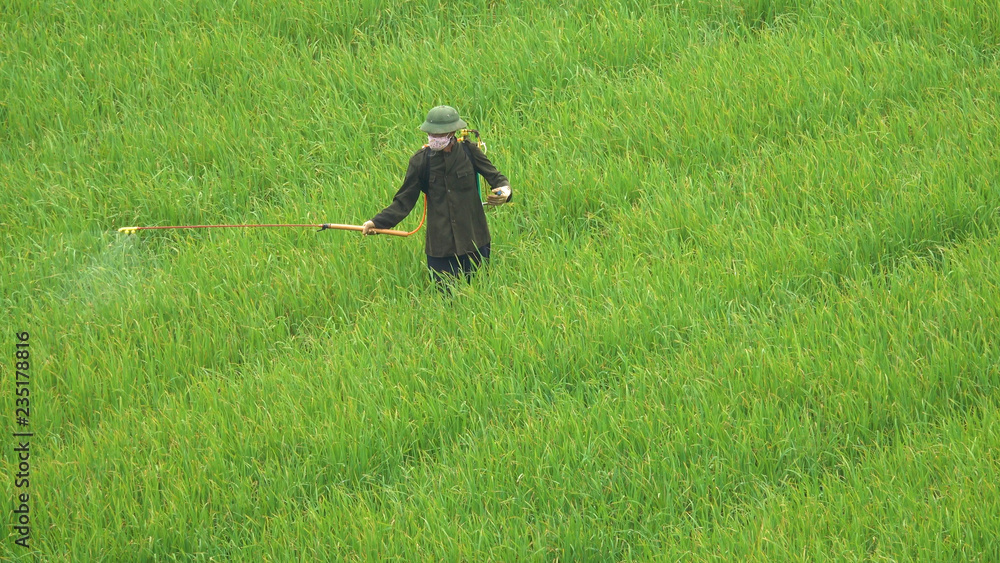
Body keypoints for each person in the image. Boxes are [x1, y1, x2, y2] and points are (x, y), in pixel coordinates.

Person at [362, 105, 512, 286]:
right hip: (441, 248)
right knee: (444, 300)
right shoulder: (420, 161)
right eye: (432, 134)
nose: (435, 139)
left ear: (452, 133)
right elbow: (403, 202)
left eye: (440, 135)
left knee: (479, 292)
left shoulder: (469, 152)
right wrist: (376, 222)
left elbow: (496, 177)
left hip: (475, 240)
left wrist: (505, 191)